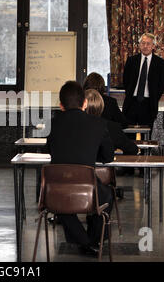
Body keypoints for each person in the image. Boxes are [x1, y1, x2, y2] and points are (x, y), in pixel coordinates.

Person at [46, 81, 114, 257]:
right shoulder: (98, 124)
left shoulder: (54, 124)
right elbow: (108, 157)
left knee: (60, 205)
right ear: (85, 103)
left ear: (61, 106)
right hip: (89, 190)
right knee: (106, 195)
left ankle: (84, 242)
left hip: (55, 191)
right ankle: (94, 241)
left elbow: (49, 149)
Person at [122, 33, 164, 129]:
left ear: (153, 46)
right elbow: (126, 81)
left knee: (146, 135)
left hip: (149, 104)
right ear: (139, 45)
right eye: (143, 43)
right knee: (129, 133)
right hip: (132, 102)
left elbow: (162, 84)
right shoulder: (131, 61)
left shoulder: (160, 64)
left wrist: (154, 98)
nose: (145, 46)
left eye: (148, 44)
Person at [85, 89, 138, 155]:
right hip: (106, 162)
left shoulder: (73, 126)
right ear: (102, 106)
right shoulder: (112, 128)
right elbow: (133, 149)